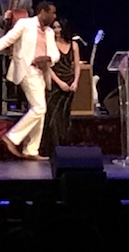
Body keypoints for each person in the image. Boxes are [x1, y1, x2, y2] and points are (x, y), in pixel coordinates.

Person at [0, 1, 59, 160]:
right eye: (52, 13)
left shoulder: (49, 32)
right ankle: (11, 137)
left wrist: (49, 58)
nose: (54, 16)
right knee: (39, 107)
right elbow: (8, 39)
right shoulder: (25, 24)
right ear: (43, 12)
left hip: (41, 71)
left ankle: (31, 150)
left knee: (40, 111)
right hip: (27, 68)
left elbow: (55, 54)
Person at [39, 18, 81, 157]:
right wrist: (59, 82)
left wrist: (75, 81)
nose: (57, 31)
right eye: (54, 27)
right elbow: (47, 67)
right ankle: (52, 148)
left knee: (64, 116)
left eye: (59, 27)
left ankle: (64, 147)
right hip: (55, 83)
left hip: (69, 83)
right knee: (52, 117)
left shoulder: (73, 45)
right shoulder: (50, 44)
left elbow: (76, 65)